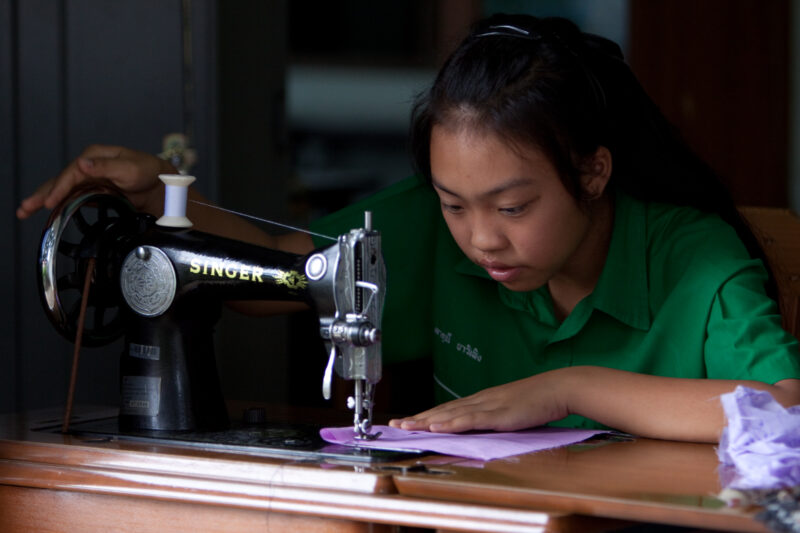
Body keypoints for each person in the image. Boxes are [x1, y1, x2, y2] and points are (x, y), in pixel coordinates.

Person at [17, 14, 800, 443]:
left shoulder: (694, 258)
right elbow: (283, 267)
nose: (480, 239)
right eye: (455, 204)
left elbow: (786, 409)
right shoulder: (429, 231)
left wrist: (565, 388)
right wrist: (165, 194)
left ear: (594, 172)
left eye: (512, 207)